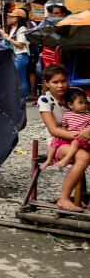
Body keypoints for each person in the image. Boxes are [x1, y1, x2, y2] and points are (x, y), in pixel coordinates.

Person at [37, 65, 90, 212]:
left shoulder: (76, 93)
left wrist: (88, 130)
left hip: (84, 137)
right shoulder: (45, 100)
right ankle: (64, 198)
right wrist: (81, 135)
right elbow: (54, 130)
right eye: (55, 82)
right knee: (84, 157)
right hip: (59, 142)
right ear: (47, 83)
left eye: (63, 81)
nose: (60, 85)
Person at [44, 88, 90, 169]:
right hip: (69, 136)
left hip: (80, 138)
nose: (84, 105)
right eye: (80, 103)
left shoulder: (87, 116)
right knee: (54, 142)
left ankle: (67, 158)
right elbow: (64, 126)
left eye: (85, 103)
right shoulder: (67, 115)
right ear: (70, 105)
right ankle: (49, 159)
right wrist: (62, 134)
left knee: (75, 143)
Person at [0, 8, 31, 101]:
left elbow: (20, 45)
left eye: (13, 17)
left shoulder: (22, 29)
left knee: (21, 79)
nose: (10, 18)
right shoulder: (13, 29)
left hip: (21, 56)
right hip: (16, 56)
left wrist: (8, 38)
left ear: (19, 18)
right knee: (17, 79)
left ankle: (22, 98)